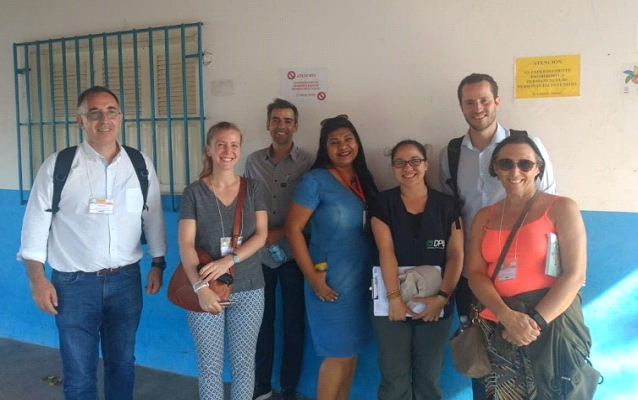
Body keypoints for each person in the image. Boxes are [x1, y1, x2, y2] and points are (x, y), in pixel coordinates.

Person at [17, 86, 167, 400]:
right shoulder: (58, 166)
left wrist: (158, 262)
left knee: (122, 365)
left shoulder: (139, 164)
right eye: (94, 113)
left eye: (111, 112)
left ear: (120, 118)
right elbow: (34, 226)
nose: (104, 120)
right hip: (73, 286)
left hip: (125, 283)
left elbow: (151, 216)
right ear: (80, 121)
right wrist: (37, 280)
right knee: (79, 374)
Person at [438, 73, 557, 399]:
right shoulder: (450, 154)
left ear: (497, 102)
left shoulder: (527, 145)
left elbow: (550, 206)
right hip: (474, 273)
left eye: (484, 100)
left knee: (533, 356)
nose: (478, 108)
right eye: (469, 102)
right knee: (481, 355)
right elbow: (448, 213)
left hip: (528, 278)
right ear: (461, 106)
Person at [466, 134, 594, 400]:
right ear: (495, 168)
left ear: (538, 168)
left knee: (555, 392)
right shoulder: (484, 217)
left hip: (550, 327)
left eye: (525, 164)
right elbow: (475, 274)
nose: (515, 172)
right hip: (499, 327)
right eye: (505, 163)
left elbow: (575, 275)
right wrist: (507, 316)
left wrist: (533, 324)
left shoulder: (561, 208)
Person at [285, 115, 377, 400]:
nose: (343, 146)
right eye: (334, 142)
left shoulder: (363, 179)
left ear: (357, 142)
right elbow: (293, 229)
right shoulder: (315, 181)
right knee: (337, 356)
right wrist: (312, 277)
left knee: (350, 357)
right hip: (329, 283)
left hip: (360, 282)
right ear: (325, 149)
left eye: (348, 139)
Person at [177, 121, 268, 400]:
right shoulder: (194, 192)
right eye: (221, 144)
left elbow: (261, 235)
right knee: (209, 367)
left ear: (239, 150)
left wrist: (229, 260)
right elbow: (186, 243)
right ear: (209, 149)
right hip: (206, 289)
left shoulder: (253, 189)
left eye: (234, 145)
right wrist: (200, 288)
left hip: (250, 288)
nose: (228, 151)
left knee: (244, 367)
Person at [370, 140, 463, 400]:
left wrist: (441, 298)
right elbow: (386, 251)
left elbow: (456, 255)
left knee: (429, 375)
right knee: (393, 374)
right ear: (392, 167)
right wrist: (394, 299)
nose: (408, 168)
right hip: (391, 300)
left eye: (414, 161)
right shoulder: (382, 203)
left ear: (426, 164)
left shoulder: (447, 205)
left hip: (436, 301)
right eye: (400, 162)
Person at [246, 99, 313, 400]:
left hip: (294, 253)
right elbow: (248, 203)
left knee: (293, 323)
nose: (281, 126)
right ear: (268, 125)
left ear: (296, 126)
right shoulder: (252, 161)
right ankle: (261, 384)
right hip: (260, 256)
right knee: (260, 323)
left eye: (287, 120)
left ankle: (288, 387)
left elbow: (312, 208)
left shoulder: (308, 162)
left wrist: (280, 232)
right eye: (276, 120)